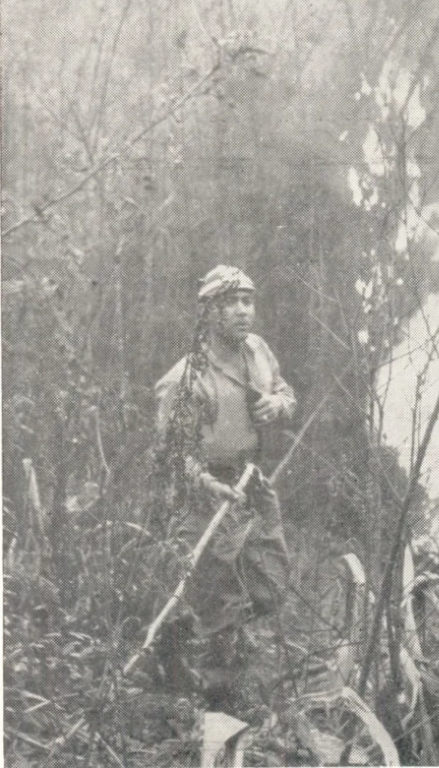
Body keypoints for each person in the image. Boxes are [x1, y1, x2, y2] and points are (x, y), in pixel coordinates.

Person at [154, 265, 297, 712]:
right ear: (208, 313)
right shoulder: (185, 378)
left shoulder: (258, 351)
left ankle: (187, 627)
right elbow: (171, 454)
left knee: (271, 584)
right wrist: (205, 481)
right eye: (230, 303)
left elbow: (284, 391)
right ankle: (221, 704)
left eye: (247, 301)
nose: (241, 311)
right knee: (221, 603)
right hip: (205, 494)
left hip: (250, 482)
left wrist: (280, 404)